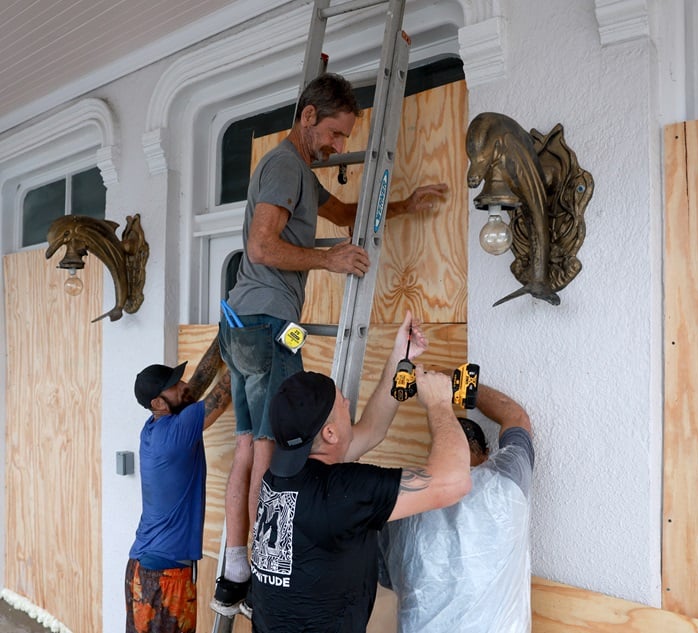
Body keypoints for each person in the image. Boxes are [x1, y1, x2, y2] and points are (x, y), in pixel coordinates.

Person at [213, 71, 449, 614]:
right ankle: (259, 580)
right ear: (309, 116)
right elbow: (263, 247)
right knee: (270, 451)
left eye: (346, 139)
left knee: (250, 445)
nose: (340, 147)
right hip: (269, 324)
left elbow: (343, 215)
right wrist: (329, 259)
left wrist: (404, 205)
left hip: (243, 326)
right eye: (336, 134)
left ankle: (233, 571)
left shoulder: (295, 169)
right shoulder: (281, 167)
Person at [247, 312, 471, 632]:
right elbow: (454, 482)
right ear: (329, 435)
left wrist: (400, 359)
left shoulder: (282, 474)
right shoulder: (339, 493)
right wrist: (438, 404)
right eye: (342, 403)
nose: (349, 401)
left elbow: (371, 430)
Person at [378, 383, 534, 633]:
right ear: (486, 452)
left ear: (435, 454)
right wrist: (455, 382)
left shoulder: (409, 505)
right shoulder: (508, 483)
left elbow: (388, 574)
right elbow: (515, 415)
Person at [125, 339, 232, 633]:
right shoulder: (176, 435)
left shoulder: (156, 425)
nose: (183, 384)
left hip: (144, 568)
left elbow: (197, 383)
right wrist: (255, 340)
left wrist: (223, 338)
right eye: (174, 384)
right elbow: (225, 392)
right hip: (164, 577)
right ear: (158, 403)